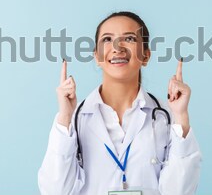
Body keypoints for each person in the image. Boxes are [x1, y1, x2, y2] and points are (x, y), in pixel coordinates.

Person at [38, 11, 202, 195]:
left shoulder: (168, 116)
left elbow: (180, 192)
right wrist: (65, 117)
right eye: (107, 39)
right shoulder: (73, 119)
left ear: (146, 55)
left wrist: (181, 117)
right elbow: (55, 191)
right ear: (97, 57)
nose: (117, 47)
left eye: (130, 39)